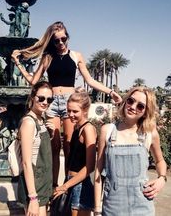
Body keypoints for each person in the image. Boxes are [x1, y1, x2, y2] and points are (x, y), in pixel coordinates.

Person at [11, 21, 122, 187]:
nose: (61, 43)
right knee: (54, 147)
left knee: (69, 146)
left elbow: (90, 80)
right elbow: (33, 80)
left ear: (68, 37)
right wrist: (18, 63)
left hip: (69, 102)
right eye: (57, 40)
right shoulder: (47, 58)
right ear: (52, 41)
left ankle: (67, 185)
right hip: (52, 103)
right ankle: (54, 186)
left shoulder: (76, 56)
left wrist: (110, 92)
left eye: (64, 38)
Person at [94, 86, 167, 216]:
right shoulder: (108, 131)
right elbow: (99, 172)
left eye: (140, 106)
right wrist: (97, 208)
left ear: (145, 111)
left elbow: (160, 160)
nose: (133, 107)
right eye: (131, 101)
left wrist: (162, 178)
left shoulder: (149, 133)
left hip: (142, 206)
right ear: (125, 101)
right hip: (112, 207)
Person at [53, 88, 97, 216]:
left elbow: (90, 166)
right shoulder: (77, 127)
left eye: (75, 111)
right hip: (71, 181)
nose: (70, 114)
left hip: (81, 186)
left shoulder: (88, 129)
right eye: (69, 110)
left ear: (85, 111)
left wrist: (66, 186)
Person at [17, 81, 54, 216]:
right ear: (33, 97)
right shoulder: (29, 122)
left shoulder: (40, 120)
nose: (45, 102)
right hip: (34, 188)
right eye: (41, 98)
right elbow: (26, 163)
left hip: (42, 185)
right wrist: (33, 197)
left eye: (49, 99)